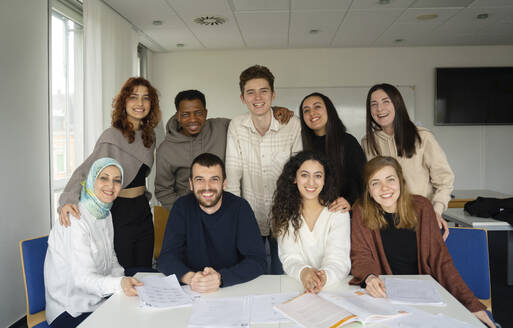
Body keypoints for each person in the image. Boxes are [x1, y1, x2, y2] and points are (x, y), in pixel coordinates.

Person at [350, 156, 494, 328]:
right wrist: (370, 276)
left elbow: (441, 261)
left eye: (390, 179)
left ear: (401, 182)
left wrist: (470, 303)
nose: (384, 188)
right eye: (375, 183)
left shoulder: (422, 207)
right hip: (385, 298)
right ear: (369, 190)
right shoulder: (361, 210)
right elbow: (360, 255)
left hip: (425, 298)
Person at [58, 77, 161, 269]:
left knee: (145, 271)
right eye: (133, 97)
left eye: (146, 98)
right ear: (124, 102)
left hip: (142, 211)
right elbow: (85, 171)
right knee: (125, 274)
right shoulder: (111, 136)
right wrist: (68, 200)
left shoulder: (149, 136)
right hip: (119, 213)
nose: (140, 103)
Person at [155, 89, 293, 211]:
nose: (193, 119)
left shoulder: (222, 127)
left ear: (206, 112)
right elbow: (163, 191)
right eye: (186, 114)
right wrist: (185, 212)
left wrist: (273, 110)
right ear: (178, 116)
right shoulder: (166, 149)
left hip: (225, 209)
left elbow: (250, 122)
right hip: (188, 214)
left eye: (198, 113)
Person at [45, 158, 142, 328]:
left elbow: (111, 258)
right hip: (70, 309)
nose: (110, 186)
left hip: (97, 301)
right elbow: (82, 279)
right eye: (103, 178)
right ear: (91, 179)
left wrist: (123, 280)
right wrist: (119, 284)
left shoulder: (105, 213)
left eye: (117, 180)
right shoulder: (74, 219)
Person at [225, 64, 302, 274]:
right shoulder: (236, 126)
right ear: (242, 98)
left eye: (263, 91)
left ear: (273, 95)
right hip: (248, 216)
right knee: (251, 275)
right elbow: (232, 176)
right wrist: (235, 219)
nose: (257, 97)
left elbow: (299, 175)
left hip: (285, 215)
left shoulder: (292, 125)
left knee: (282, 275)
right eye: (250, 92)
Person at [158, 153, 266, 292]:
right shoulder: (181, 207)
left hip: (233, 289)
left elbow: (257, 260)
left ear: (224, 183)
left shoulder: (240, 208)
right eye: (200, 179)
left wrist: (220, 278)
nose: (207, 187)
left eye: (214, 179)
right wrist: (191, 278)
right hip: (191, 290)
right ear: (191, 184)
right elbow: (166, 258)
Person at [362, 83, 454, 240]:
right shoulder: (368, 142)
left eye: (386, 101)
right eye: (374, 104)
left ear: (397, 104)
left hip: (420, 220)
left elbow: (445, 180)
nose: (380, 109)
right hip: (385, 224)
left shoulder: (422, 137)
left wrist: (436, 211)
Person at [272, 151, 351, 293]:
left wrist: (323, 277)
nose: (311, 182)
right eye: (304, 175)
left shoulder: (338, 213)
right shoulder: (284, 212)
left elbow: (338, 259)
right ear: (294, 178)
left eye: (318, 176)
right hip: (295, 285)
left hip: (333, 287)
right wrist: (304, 273)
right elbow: (289, 258)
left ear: (325, 179)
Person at [299, 92, 366, 209]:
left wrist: (350, 201)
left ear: (329, 110)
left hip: (341, 213)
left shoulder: (347, 141)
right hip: (312, 214)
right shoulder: (301, 144)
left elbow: (362, 179)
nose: (312, 113)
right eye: (306, 110)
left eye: (317, 106)